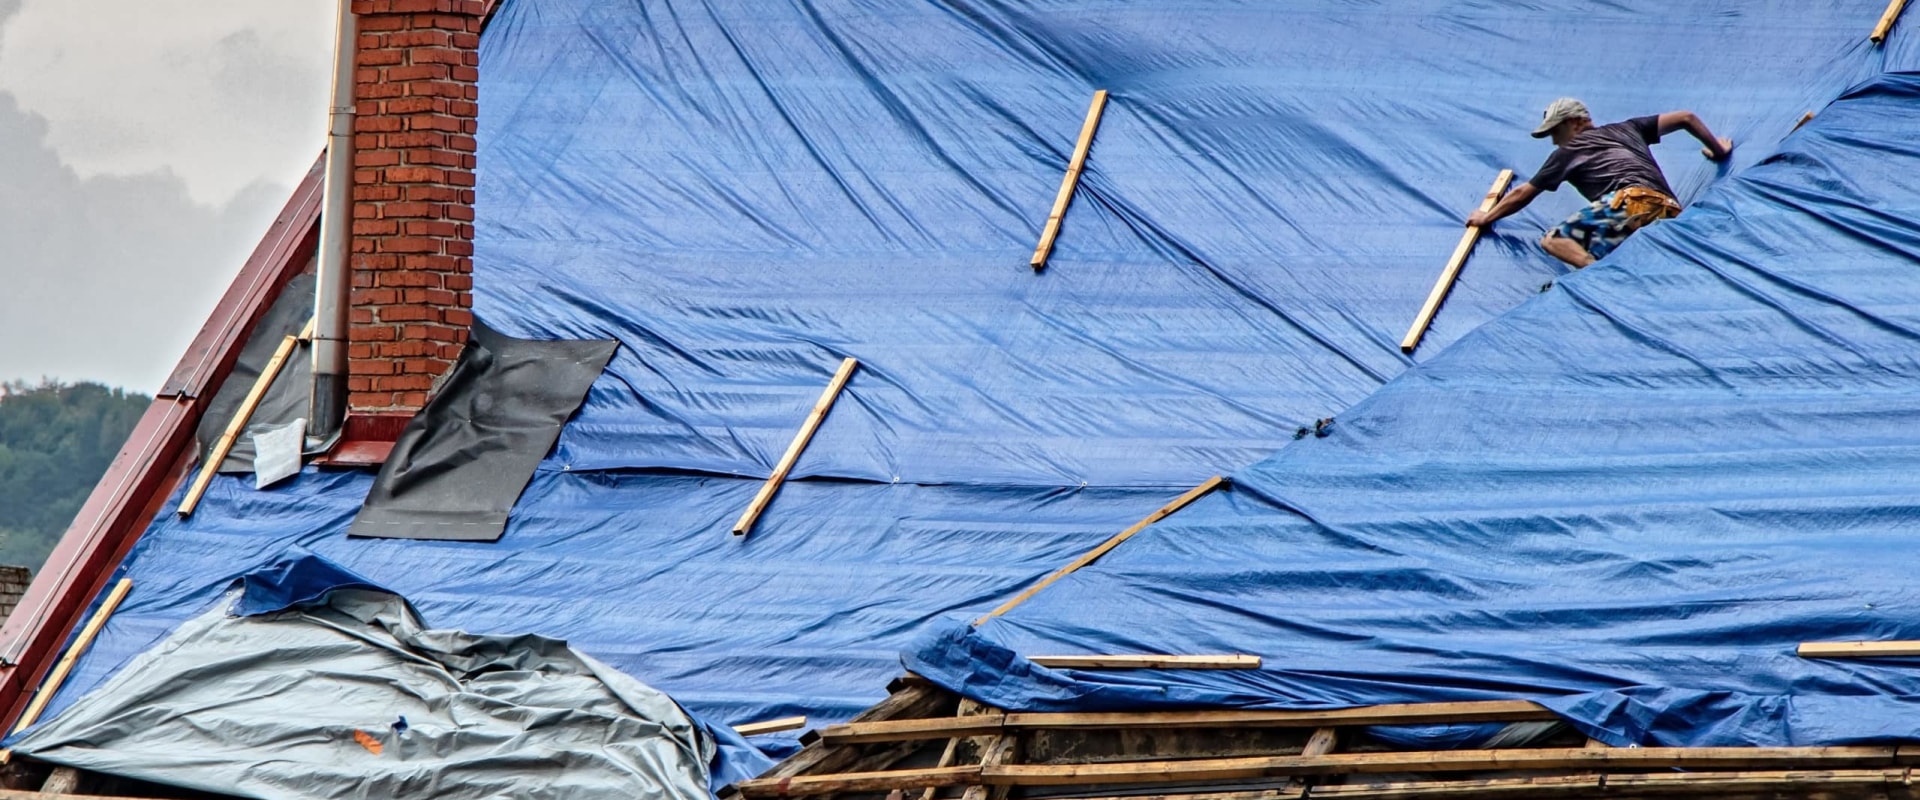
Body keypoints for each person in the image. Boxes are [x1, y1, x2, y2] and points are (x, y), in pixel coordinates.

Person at [1466, 98, 1734, 269]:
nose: (1554, 141)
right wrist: (1718, 150)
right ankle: (1603, 271)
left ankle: (1597, 284)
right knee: (1600, 250)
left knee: (1556, 241)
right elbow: (1685, 117)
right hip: (1668, 211)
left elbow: (1524, 193)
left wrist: (1486, 217)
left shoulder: (1568, 152)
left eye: (1555, 131)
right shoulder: (1628, 129)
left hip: (1631, 201)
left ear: (1575, 122)